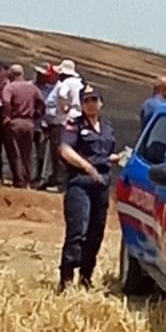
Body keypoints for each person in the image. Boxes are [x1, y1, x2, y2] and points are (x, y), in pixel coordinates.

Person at [57, 86, 117, 289]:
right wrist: (88, 167)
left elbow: (104, 154)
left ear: (101, 103)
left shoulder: (107, 127)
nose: (91, 104)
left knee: (96, 231)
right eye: (87, 100)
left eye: (94, 100)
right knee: (78, 230)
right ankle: (66, 279)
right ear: (82, 104)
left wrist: (115, 159)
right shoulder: (74, 125)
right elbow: (65, 150)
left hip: (102, 183)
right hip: (80, 182)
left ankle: (85, 276)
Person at [0, 63, 44, 188]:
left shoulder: (9, 87)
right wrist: (37, 114)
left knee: (15, 152)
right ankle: (27, 178)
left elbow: (6, 101)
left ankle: (19, 180)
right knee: (27, 152)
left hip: (15, 121)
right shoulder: (32, 88)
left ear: (10, 74)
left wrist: (7, 115)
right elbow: (41, 102)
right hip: (29, 122)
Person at [44, 59, 83, 190]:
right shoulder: (81, 83)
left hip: (65, 120)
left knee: (59, 151)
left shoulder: (64, 84)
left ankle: (59, 182)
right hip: (79, 120)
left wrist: (63, 107)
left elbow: (61, 95)